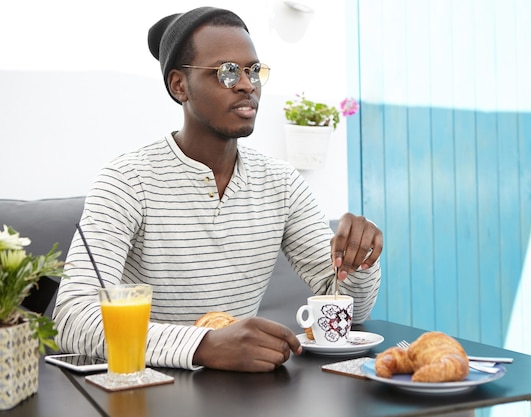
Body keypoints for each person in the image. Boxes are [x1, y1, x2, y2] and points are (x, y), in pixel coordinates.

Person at [53, 6, 382, 372]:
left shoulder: (282, 183)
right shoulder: (126, 180)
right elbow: (71, 318)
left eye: (254, 71)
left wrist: (359, 260)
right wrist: (204, 346)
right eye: (226, 72)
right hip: (149, 394)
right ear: (180, 86)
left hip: (248, 395)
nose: (246, 84)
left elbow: (348, 306)